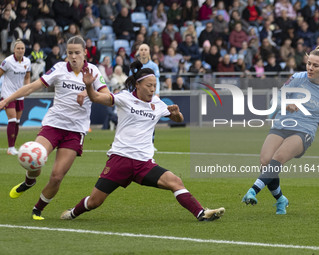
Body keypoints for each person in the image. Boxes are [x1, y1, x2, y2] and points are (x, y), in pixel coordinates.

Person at [60, 60, 225, 221]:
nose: (152, 89)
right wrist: (89, 85)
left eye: (154, 85)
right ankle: (73, 213)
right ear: (138, 85)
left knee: (175, 181)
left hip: (144, 163)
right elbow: (96, 97)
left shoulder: (157, 103)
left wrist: (176, 114)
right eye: (149, 85)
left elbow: (178, 119)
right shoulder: (124, 98)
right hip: (120, 160)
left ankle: (201, 213)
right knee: (95, 201)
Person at [0, 36, 111, 220]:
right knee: (35, 158)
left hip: (75, 131)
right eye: (70, 53)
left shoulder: (92, 71)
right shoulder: (59, 68)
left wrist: (87, 90)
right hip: (53, 125)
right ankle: (29, 181)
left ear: (85, 53)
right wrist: (6, 100)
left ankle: (38, 208)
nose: (73, 57)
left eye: (77, 53)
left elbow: (106, 95)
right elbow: (31, 87)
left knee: (57, 176)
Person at [242, 45, 319, 214]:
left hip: (305, 132)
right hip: (282, 125)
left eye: (316, 65)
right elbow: (277, 99)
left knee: (278, 157)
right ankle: (281, 199)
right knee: (265, 162)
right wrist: (287, 104)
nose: (310, 68)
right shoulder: (297, 77)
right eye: (309, 63)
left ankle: (253, 191)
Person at [0, 39, 31, 155]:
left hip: (20, 95)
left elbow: (27, 77)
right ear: (14, 50)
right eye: (18, 48)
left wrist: (27, 87)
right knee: (12, 119)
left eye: (22, 48)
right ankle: (11, 147)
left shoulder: (27, 62)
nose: (20, 50)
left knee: (17, 121)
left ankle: (12, 146)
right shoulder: (7, 61)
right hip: (8, 94)